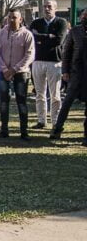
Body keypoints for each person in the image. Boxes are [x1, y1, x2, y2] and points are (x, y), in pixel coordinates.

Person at [29, 0, 69, 129]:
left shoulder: (61, 22)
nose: (47, 8)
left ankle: (55, 121)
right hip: (38, 61)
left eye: (50, 6)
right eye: (45, 6)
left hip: (55, 62)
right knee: (39, 93)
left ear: (55, 8)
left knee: (55, 94)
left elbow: (59, 40)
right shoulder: (36, 23)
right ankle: (41, 120)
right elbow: (32, 39)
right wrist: (49, 36)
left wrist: (41, 37)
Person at [0, 9, 35, 140]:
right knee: (3, 102)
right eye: (9, 17)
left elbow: (29, 55)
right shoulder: (0, 33)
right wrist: (4, 69)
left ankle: (24, 131)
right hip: (3, 72)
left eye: (14, 18)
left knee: (21, 101)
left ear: (20, 19)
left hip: (21, 73)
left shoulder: (27, 35)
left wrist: (14, 69)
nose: (11, 20)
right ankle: (4, 130)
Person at [50, 9, 87, 144]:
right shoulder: (75, 31)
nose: (85, 18)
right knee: (67, 103)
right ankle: (57, 129)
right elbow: (66, 53)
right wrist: (65, 71)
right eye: (84, 16)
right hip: (76, 73)